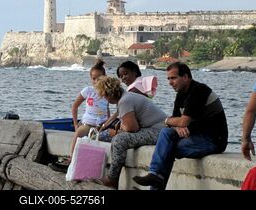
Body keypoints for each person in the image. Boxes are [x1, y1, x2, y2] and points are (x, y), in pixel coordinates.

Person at [133, 62, 228, 190]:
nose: (170, 82)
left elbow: (180, 121)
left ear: (185, 77)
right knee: (166, 134)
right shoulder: (180, 94)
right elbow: (176, 122)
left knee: (167, 150)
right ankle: (154, 174)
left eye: (173, 78)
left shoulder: (199, 90)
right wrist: (176, 124)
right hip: (193, 136)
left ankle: (156, 182)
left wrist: (169, 121)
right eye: (168, 79)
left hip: (213, 140)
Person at [95, 76, 166, 189]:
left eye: (104, 96)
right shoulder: (125, 97)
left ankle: (112, 179)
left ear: (109, 94)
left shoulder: (125, 101)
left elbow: (132, 128)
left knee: (119, 140)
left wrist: (118, 130)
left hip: (158, 131)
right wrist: (106, 128)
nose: (105, 99)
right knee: (108, 136)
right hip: (153, 128)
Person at [98, 61, 158, 142]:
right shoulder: (138, 87)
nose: (123, 78)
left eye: (125, 74)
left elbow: (131, 127)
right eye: (121, 76)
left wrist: (108, 127)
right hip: (151, 126)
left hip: (152, 129)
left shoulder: (132, 92)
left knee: (105, 136)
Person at [69, 60, 110, 155]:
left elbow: (106, 108)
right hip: (88, 124)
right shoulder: (88, 90)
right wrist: (76, 124)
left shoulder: (107, 92)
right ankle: (71, 157)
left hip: (102, 125)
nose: (96, 81)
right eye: (94, 78)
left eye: (99, 78)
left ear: (105, 77)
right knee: (79, 133)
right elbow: (75, 106)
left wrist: (108, 122)